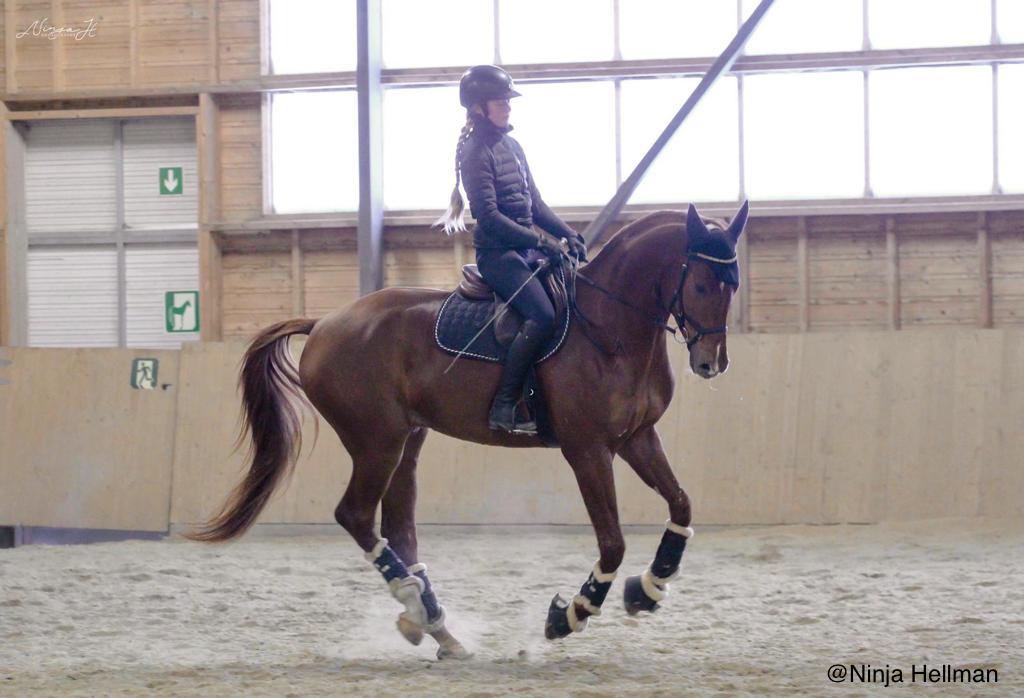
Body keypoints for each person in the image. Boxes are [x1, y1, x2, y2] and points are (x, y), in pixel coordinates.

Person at [436, 64, 586, 435]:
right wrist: (540, 241)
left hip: (526, 251)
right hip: (499, 256)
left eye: (507, 101)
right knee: (542, 316)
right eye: (500, 102)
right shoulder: (475, 153)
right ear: (477, 108)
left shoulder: (512, 146)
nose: (508, 108)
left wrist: (568, 233)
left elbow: (534, 203)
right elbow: (488, 217)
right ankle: (505, 405)